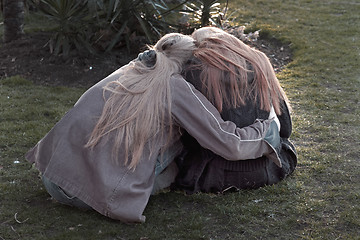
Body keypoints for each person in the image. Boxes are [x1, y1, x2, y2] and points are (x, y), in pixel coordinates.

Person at [25, 32, 281, 223]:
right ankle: (123, 192)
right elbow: (228, 143)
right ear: (192, 64)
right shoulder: (175, 86)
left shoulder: (133, 67)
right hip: (84, 196)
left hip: (53, 177)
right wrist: (267, 130)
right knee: (181, 152)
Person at [173, 27, 297, 194]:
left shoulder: (191, 72)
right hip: (271, 167)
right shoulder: (260, 61)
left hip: (211, 173)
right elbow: (286, 128)